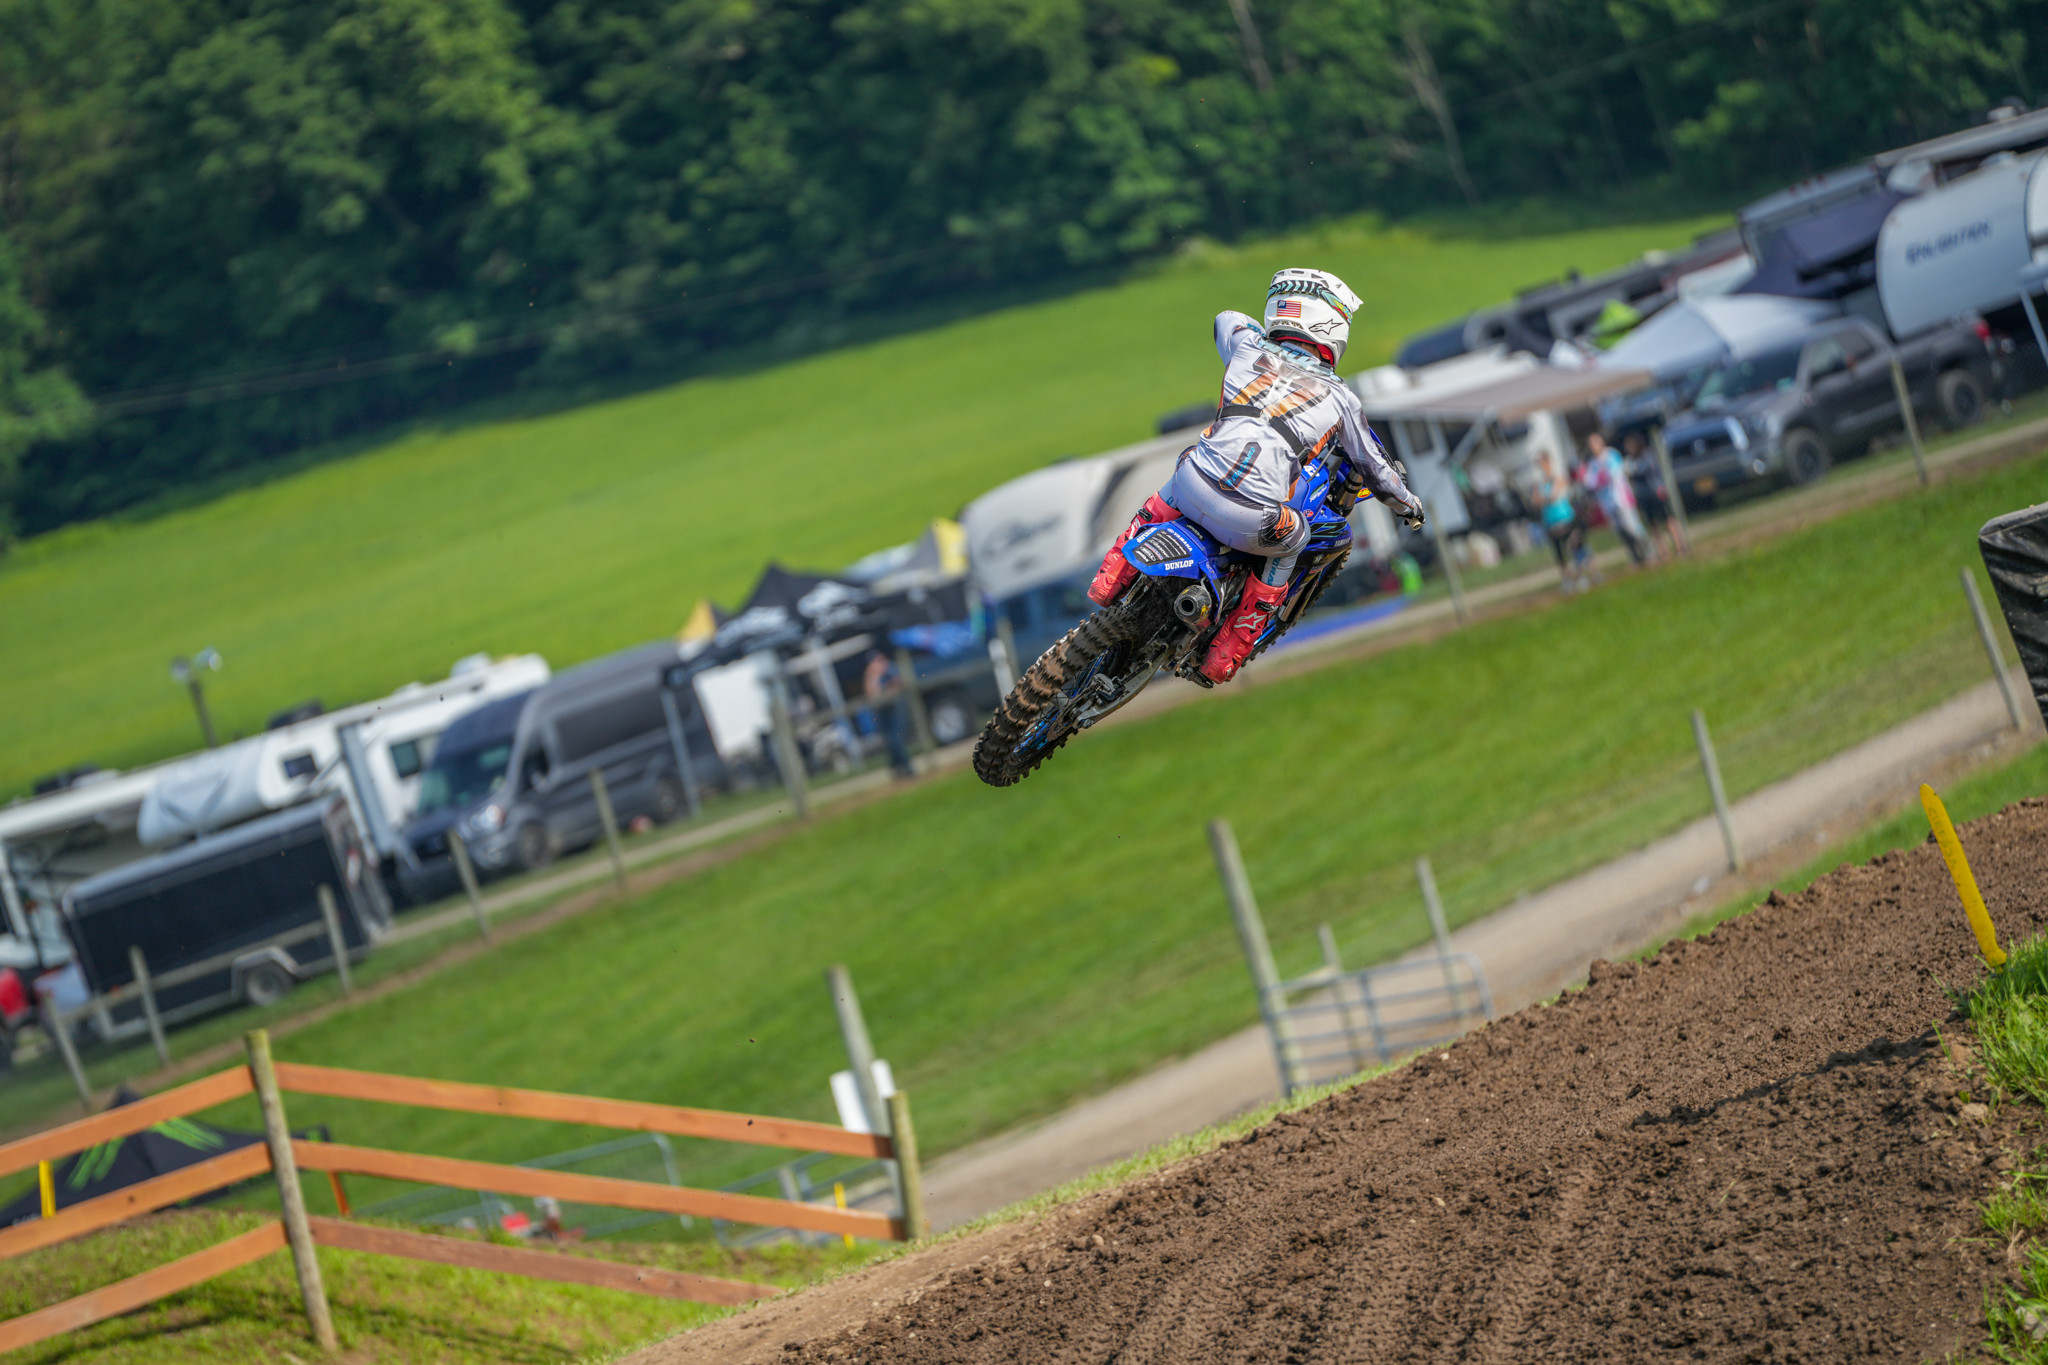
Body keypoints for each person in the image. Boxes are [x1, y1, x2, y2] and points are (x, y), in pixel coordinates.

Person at [1087, 268, 1425, 683]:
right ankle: (1230, 646)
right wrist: (1410, 506)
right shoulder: (1341, 398)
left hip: (1192, 487)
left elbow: (1226, 317)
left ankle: (1112, 574)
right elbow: (1377, 470)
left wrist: (1268, 332)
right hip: (1251, 519)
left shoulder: (1246, 346)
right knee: (1297, 535)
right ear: (1330, 325)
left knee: (1190, 461)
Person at [1579, 432, 1651, 566]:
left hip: (1621, 499)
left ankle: (1648, 553)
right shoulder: (1592, 463)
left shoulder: (1611, 455)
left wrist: (1599, 478)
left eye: (1595, 443)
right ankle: (1636, 557)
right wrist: (1598, 478)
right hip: (1607, 503)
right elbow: (1590, 482)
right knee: (1620, 531)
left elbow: (1614, 474)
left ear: (1601, 442)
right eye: (1590, 444)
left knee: (1632, 527)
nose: (1593, 446)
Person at [1622, 431, 1683, 559]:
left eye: (1631, 444)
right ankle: (1663, 552)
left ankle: (1679, 546)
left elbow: (1647, 470)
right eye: (1627, 446)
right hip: (1643, 496)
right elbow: (1628, 475)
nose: (1629, 448)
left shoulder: (1647, 455)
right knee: (1653, 524)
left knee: (1668, 519)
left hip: (1655, 492)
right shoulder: (1630, 461)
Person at [1534, 451, 1589, 592]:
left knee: (1573, 547)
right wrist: (1545, 499)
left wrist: (1544, 499)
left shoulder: (1557, 477)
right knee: (1559, 554)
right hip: (1550, 520)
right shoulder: (1540, 483)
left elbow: (1553, 496)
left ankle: (1581, 576)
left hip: (1565, 518)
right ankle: (1567, 579)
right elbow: (1536, 500)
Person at [862, 650, 915, 778]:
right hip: (883, 712)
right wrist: (873, 677)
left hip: (896, 710)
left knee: (895, 740)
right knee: (889, 742)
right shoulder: (872, 676)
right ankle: (898, 770)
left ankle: (907, 768)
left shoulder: (890, 669)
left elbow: (901, 683)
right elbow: (871, 695)